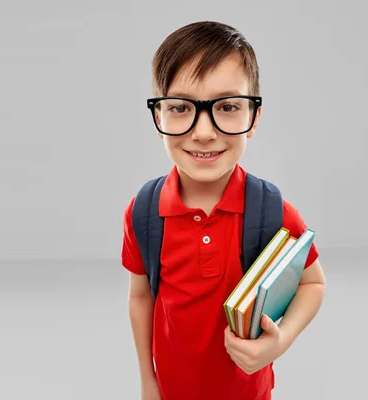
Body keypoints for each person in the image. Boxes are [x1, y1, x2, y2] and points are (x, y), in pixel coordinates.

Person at [121, 20, 327, 400]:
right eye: (181, 107)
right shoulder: (144, 212)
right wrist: (148, 382)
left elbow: (313, 283)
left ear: (254, 118)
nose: (203, 132)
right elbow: (141, 298)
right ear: (158, 118)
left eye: (228, 106)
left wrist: (280, 342)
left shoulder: (271, 211)